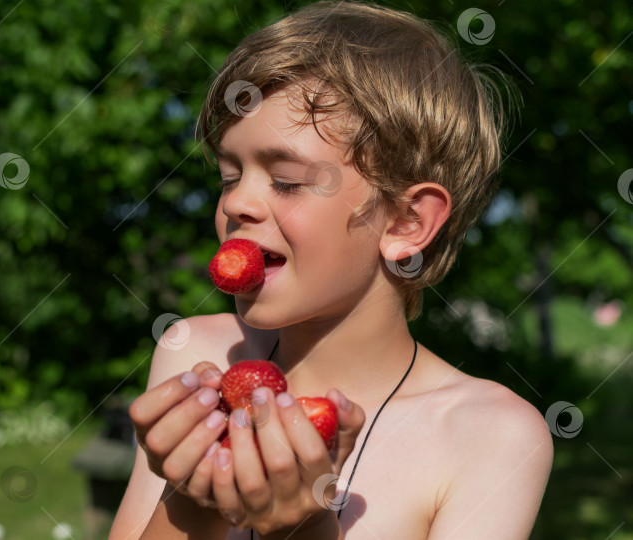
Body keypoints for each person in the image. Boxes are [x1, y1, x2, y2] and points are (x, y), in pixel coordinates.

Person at [109, 1, 553, 538]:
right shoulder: (194, 355)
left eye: (288, 180)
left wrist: (304, 526)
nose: (236, 204)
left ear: (406, 223)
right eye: (229, 177)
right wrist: (194, 499)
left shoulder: (489, 434)